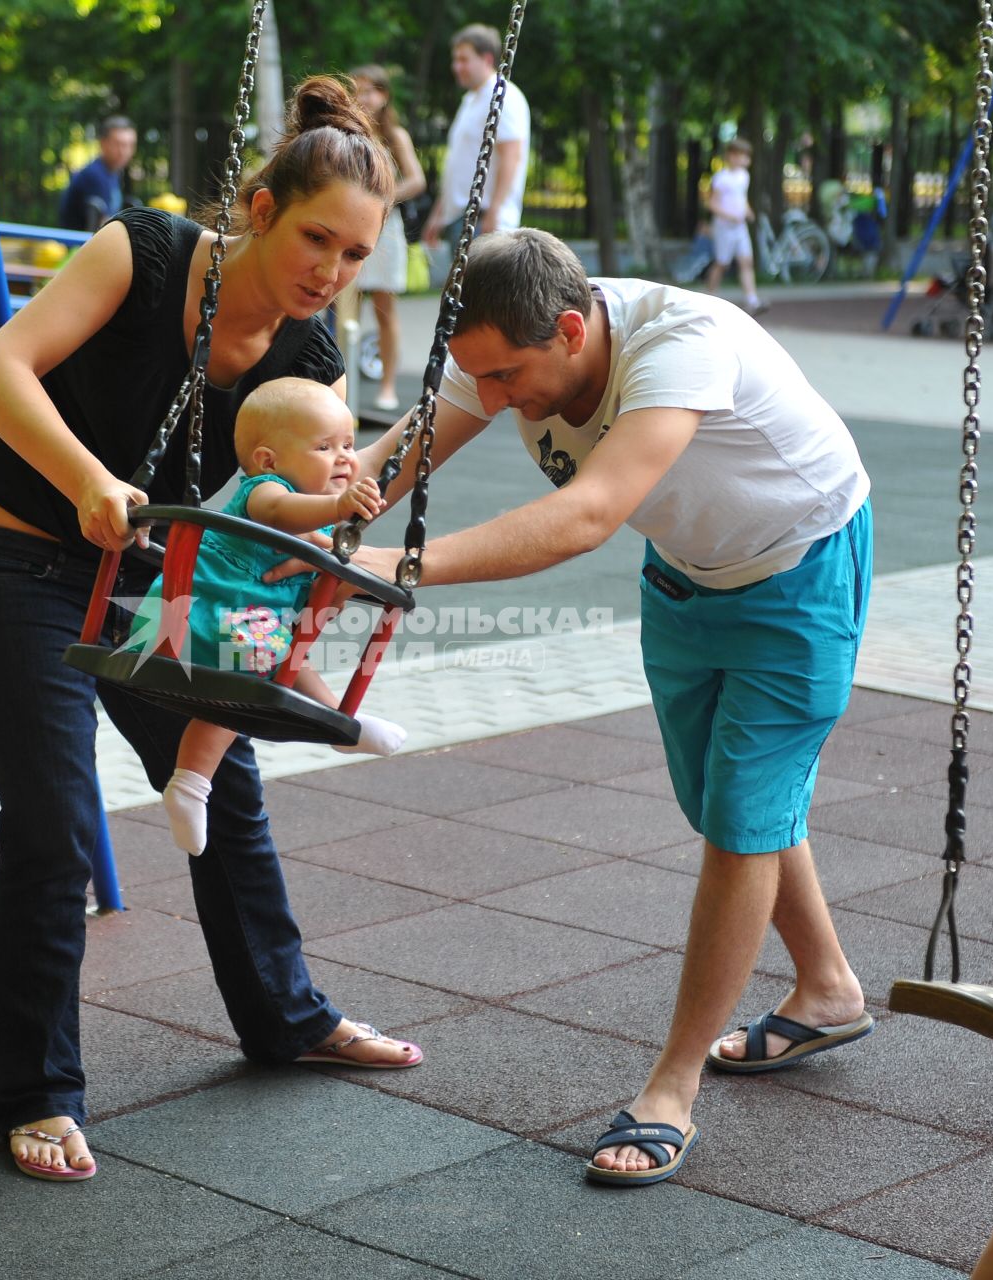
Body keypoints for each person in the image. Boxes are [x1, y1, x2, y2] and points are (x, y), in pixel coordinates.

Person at [0, 75, 424, 1185]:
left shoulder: (309, 362)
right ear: (260, 210)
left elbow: (299, 504)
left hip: (151, 578)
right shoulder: (145, 251)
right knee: (56, 817)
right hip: (18, 558)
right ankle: (37, 1091)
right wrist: (86, 478)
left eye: (355, 257)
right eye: (317, 240)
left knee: (230, 781)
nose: (331, 274)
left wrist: (418, 455)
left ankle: (285, 1015)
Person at [335, 227, 873, 1187]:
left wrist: (392, 568)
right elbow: (393, 459)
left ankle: (671, 1087)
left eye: (505, 380)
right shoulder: (503, 341)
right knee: (724, 798)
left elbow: (586, 516)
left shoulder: (684, 342)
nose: (491, 402)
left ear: (573, 331)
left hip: (801, 569)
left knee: (742, 821)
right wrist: (306, 520)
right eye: (479, 380)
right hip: (686, 573)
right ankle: (828, 989)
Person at [126, 377, 407, 856]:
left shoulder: (314, 527)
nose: (344, 457)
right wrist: (340, 507)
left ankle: (193, 784)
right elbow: (281, 512)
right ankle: (340, 725)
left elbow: (319, 594)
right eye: (324, 447)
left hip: (240, 629)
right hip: (197, 619)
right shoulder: (264, 492)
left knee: (249, 685)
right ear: (267, 460)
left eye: (349, 444)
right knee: (257, 676)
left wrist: (342, 584)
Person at [350, 66, 427, 411]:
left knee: (385, 309)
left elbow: (416, 180)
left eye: (370, 91)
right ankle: (340, 378)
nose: (363, 99)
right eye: (357, 91)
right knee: (342, 308)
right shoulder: (345, 132)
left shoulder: (394, 136)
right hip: (349, 224)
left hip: (385, 228)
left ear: (384, 95)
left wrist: (382, 196)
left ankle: (387, 384)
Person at [421, 23, 530, 257]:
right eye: (455, 60)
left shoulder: (503, 95)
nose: (456, 67)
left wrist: (495, 214)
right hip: (461, 218)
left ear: (487, 59)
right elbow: (458, 164)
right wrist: (439, 214)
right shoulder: (471, 100)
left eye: (464, 59)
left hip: (485, 218)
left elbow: (512, 156)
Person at [704, 137, 767, 317]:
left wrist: (748, 211)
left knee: (746, 261)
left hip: (740, 227)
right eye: (741, 156)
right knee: (722, 263)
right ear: (731, 156)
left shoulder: (743, 176)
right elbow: (712, 204)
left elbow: (741, 199)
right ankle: (709, 296)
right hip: (724, 227)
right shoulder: (721, 178)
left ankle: (752, 299)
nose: (745, 160)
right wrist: (729, 215)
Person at [58, 116, 137, 233]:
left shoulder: (113, 172)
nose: (124, 151)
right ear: (103, 144)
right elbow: (105, 225)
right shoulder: (94, 175)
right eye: (118, 144)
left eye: (130, 145)